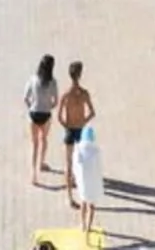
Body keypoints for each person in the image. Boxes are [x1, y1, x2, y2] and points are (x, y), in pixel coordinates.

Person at [56, 61, 95, 208]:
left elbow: (59, 116)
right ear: (80, 75)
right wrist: (83, 122)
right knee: (82, 163)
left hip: (70, 130)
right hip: (81, 130)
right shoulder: (85, 94)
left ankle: (69, 197)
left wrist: (67, 125)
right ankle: (83, 193)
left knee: (68, 163)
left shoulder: (66, 95)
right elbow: (92, 112)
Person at [23, 54, 58, 186]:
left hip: (33, 113)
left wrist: (31, 107)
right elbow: (56, 101)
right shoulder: (53, 82)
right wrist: (49, 106)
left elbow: (25, 97)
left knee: (34, 143)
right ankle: (41, 163)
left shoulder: (32, 79)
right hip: (46, 114)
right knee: (44, 139)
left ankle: (33, 174)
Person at [71, 126, 105, 236]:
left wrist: (75, 177)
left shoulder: (78, 149)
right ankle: (90, 226)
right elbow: (100, 167)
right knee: (92, 205)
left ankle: (83, 224)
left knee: (83, 203)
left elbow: (75, 165)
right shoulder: (96, 150)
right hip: (94, 181)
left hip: (83, 181)